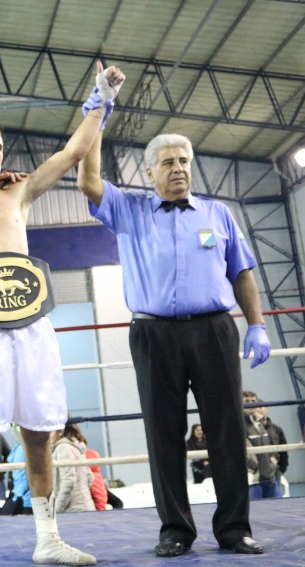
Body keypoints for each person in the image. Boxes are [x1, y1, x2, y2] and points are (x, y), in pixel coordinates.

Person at [0, 62, 120, 566]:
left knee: (40, 431)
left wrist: (98, 97)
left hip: (33, 324)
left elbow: (73, 151)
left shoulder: (21, 190)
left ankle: (47, 538)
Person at [78, 98, 272, 555]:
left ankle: (234, 528)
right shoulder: (130, 209)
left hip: (213, 330)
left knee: (226, 430)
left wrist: (257, 325)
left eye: (184, 161)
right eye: (168, 162)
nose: (179, 168)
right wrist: (98, 116)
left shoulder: (218, 214)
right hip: (154, 333)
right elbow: (87, 179)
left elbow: (242, 273)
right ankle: (175, 530)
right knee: (163, 433)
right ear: (149, 173)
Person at [243, 391, 282, 499]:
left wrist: (273, 462)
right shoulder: (238, 424)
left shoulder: (260, 424)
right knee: (256, 514)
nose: (251, 404)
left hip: (269, 477)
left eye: (253, 401)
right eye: (247, 401)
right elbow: (235, 451)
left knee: (279, 510)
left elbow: (271, 445)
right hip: (253, 481)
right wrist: (253, 467)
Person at [51, 424, 95, 514]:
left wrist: (57, 510)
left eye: (49, 431)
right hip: (85, 506)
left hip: (72, 511)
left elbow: (69, 481)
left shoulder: (63, 448)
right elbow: (90, 477)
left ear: (60, 432)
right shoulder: (76, 447)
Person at [256, 402, 288, 495]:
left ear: (266, 408)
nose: (258, 409)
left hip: (274, 473)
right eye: (256, 407)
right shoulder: (247, 429)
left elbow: (283, 451)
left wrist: (281, 468)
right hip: (255, 475)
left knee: (276, 503)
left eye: (261, 406)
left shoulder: (276, 429)